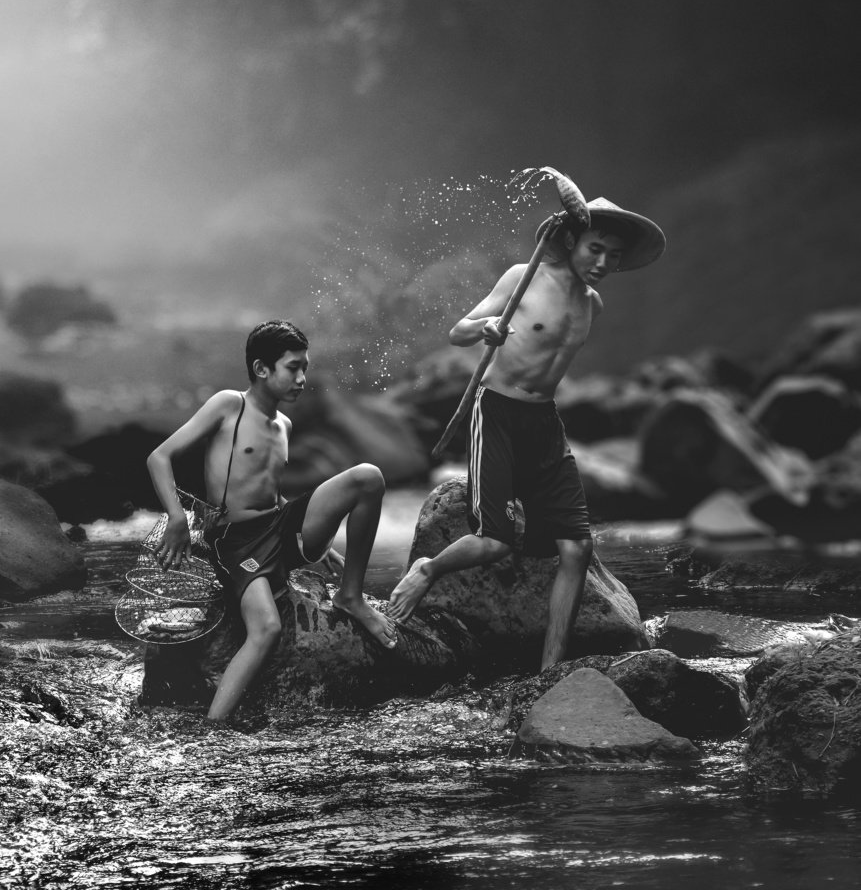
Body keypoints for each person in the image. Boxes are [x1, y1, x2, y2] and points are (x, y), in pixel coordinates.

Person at [388, 196, 666, 668]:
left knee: (577, 547)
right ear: (571, 241)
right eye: (595, 249)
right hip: (495, 411)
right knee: (494, 541)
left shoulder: (592, 304)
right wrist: (488, 327)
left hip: (545, 423)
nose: (603, 263)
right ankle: (427, 569)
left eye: (613, 256)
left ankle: (549, 670)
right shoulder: (524, 277)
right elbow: (459, 331)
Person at [147, 319, 397, 721]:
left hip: (281, 529)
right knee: (266, 629)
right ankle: (214, 728)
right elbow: (158, 457)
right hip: (236, 542)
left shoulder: (285, 424)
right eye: (293, 367)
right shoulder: (230, 404)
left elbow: (271, 492)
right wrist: (177, 517)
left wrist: (326, 546)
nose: (302, 377)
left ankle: (350, 596)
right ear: (262, 369)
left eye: (305, 368)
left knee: (368, 477)